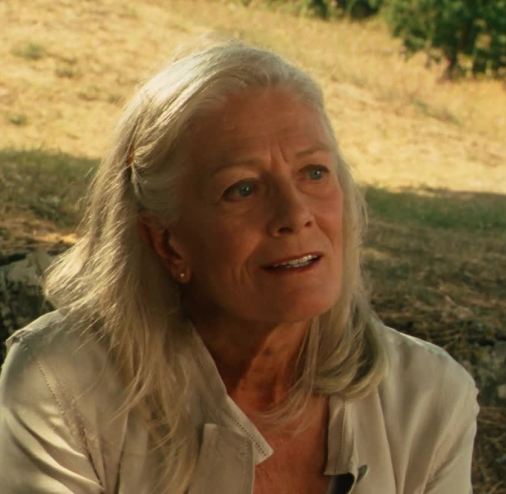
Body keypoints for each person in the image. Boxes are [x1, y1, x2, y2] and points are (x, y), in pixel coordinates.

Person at [0, 41, 478, 493]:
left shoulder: (428, 398)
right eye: (242, 189)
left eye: (314, 172)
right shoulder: (60, 385)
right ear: (168, 243)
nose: (295, 214)